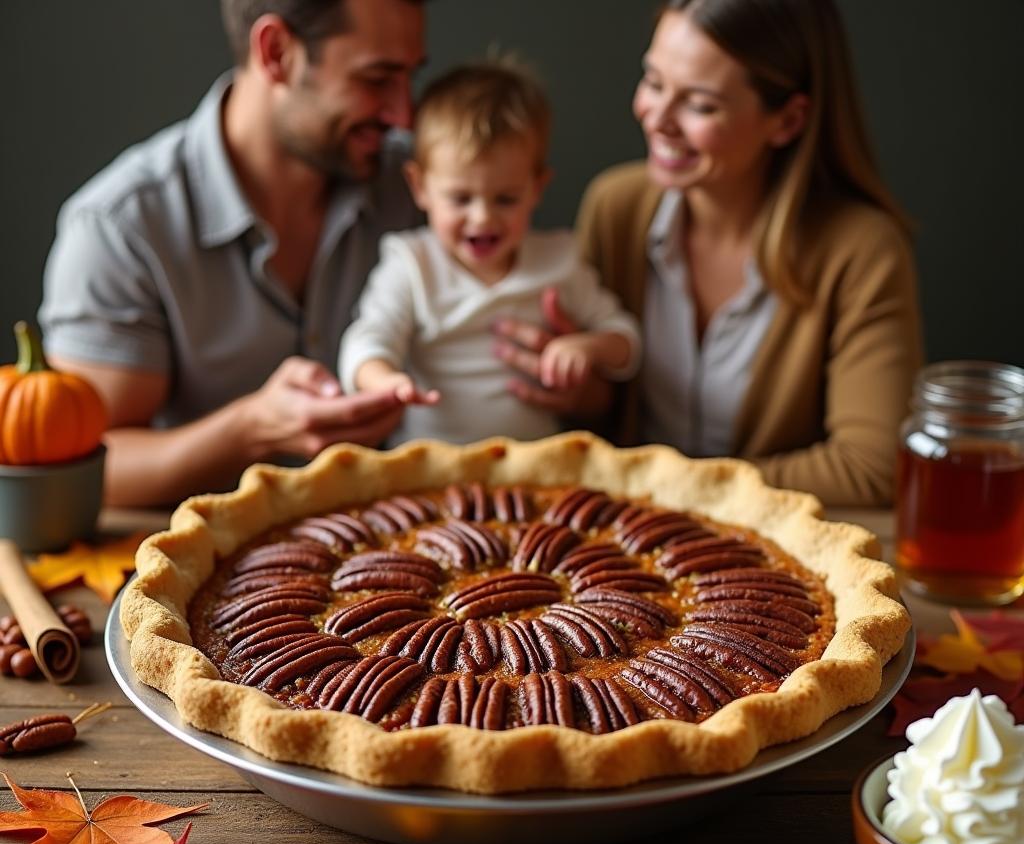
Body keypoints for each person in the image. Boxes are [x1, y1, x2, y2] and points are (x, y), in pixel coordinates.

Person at [500, 0, 923, 506]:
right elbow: (603, 423)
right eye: (654, 83)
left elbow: (869, 470)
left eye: (699, 105)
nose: (657, 119)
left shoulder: (861, 250)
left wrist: (674, 487)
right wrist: (584, 394)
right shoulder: (616, 207)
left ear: (787, 121)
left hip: (766, 556)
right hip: (621, 540)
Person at [37, 0, 427, 508]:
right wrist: (250, 429)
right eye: (377, 79)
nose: (404, 114)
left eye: (410, 77)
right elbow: (86, 475)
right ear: (277, 52)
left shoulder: (426, 189)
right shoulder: (122, 227)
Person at [338, 60, 640, 447]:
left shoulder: (559, 260)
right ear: (420, 187)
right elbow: (366, 341)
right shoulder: (412, 265)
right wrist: (386, 381)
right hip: (430, 468)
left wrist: (587, 347)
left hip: (537, 468)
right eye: (460, 198)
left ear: (537, 188)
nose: (482, 218)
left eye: (506, 199)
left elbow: (626, 341)